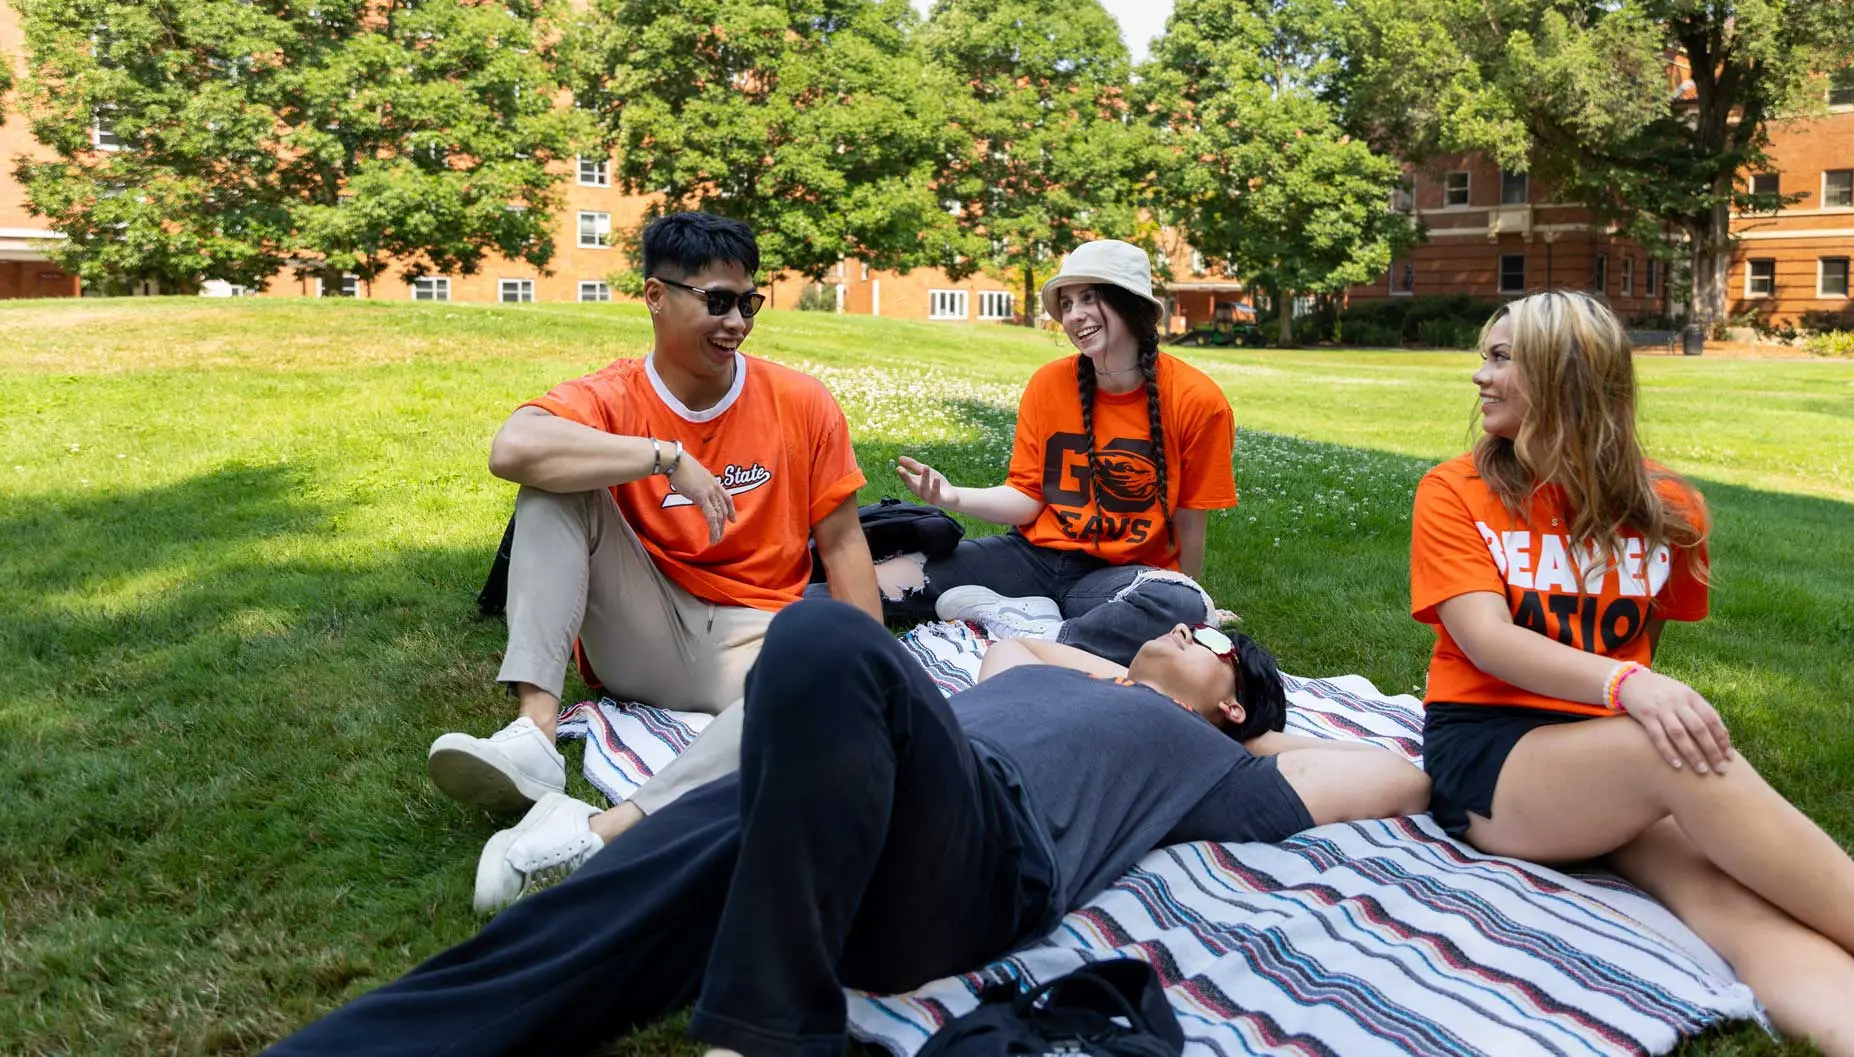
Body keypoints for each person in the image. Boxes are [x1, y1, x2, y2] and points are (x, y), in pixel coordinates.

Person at [268, 600, 1430, 1057]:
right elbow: (1009, 643)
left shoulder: (1204, 763)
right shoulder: (1072, 677)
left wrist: (1250, 733)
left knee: (822, 634)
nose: (1184, 623)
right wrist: (1132, 668)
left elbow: (1396, 775)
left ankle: (765, 1034)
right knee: (580, 930)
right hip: (834, 824)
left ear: (1231, 698)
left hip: (974, 859)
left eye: (1209, 636)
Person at [1409, 291, 1854, 1057]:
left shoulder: (1670, 508)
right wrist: (1632, 689)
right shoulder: (1456, 490)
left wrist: (1633, 699)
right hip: (1492, 759)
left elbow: (1641, 641)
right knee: (1670, 747)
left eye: (1499, 357)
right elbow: (1486, 641)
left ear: (1567, 375)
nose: (1478, 376)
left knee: (1738, 900)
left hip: (1610, 762)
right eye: (1484, 356)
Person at [425, 212, 881, 911]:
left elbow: (844, 542)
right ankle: (533, 738)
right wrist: (664, 457)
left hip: (756, 639)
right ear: (655, 296)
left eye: (748, 303)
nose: (737, 323)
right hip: (645, 625)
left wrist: (872, 660)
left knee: (822, 695)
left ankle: (593, 833)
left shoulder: (801, 402)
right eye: (717, 302)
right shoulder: (616, 395)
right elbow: (511, 448)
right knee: (549, 487)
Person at [876, 238, 1238, 664]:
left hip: (1117, 577)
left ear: (1131, 304)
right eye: (1066, 303)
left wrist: (1192, 600)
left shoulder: (1198, 400)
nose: (1074, 315)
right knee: (882, 579)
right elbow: (1028, 499)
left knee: (1179, 608)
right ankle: (777, 616)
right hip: (1031, 558)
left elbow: (1190, 524)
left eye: (1089, 297)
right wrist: (953, 497)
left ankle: (1034, 631)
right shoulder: (1049, 384)